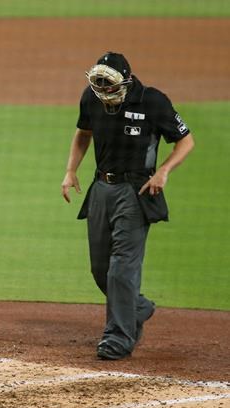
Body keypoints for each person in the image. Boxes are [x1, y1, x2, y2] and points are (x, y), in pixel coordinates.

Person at [61, 52, 195, 360]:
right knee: (101, 269)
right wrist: (71, 170)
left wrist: (163, 171)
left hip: (137, 191)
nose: (105, 92)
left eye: (110, 86)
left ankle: (118, 338)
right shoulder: (91, 97)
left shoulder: (151, 101)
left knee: (122, 267)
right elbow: (83, 133)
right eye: (100, 86)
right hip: (101, 189)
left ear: (126, 81)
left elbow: (185, 141)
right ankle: (138, 306)